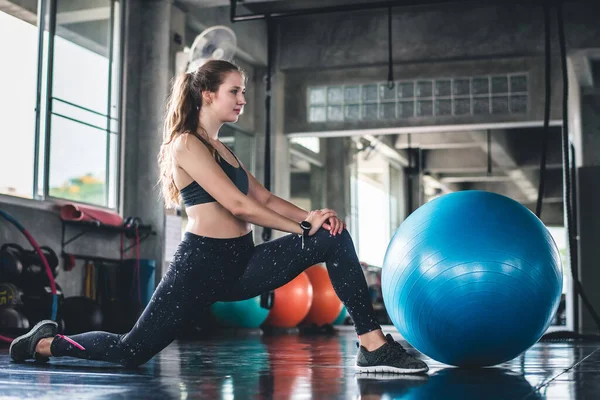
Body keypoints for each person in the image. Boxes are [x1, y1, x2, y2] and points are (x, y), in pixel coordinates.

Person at [9, 60, 428, 374]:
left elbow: (262, 196)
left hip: (240, 262)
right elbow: (240, 206)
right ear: (208, 94)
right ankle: (44, 343)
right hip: (200, 265)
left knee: (333, 238)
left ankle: (372, 346)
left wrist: (314, 216)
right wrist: (304, 226)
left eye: (243, 92)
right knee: (130, 352)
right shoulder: (185, 144)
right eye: (235, 91)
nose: (242, 100)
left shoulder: (223, 148)